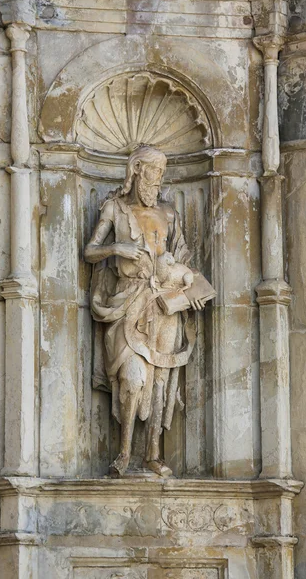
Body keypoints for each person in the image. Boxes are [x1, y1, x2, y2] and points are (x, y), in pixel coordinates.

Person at [84, 145, 207, 477]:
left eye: (161, 176)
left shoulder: (169, 214)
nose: (158, 182)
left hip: (165, 305)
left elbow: (183, 261)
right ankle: (123, 452)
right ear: (136, 171)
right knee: (134, 378)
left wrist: (190, 291)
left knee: (161, 379)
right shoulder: (114, 208)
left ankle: (153, 452)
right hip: (127, 299)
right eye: (153, 173)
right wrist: (116, 247)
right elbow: (90, 250)